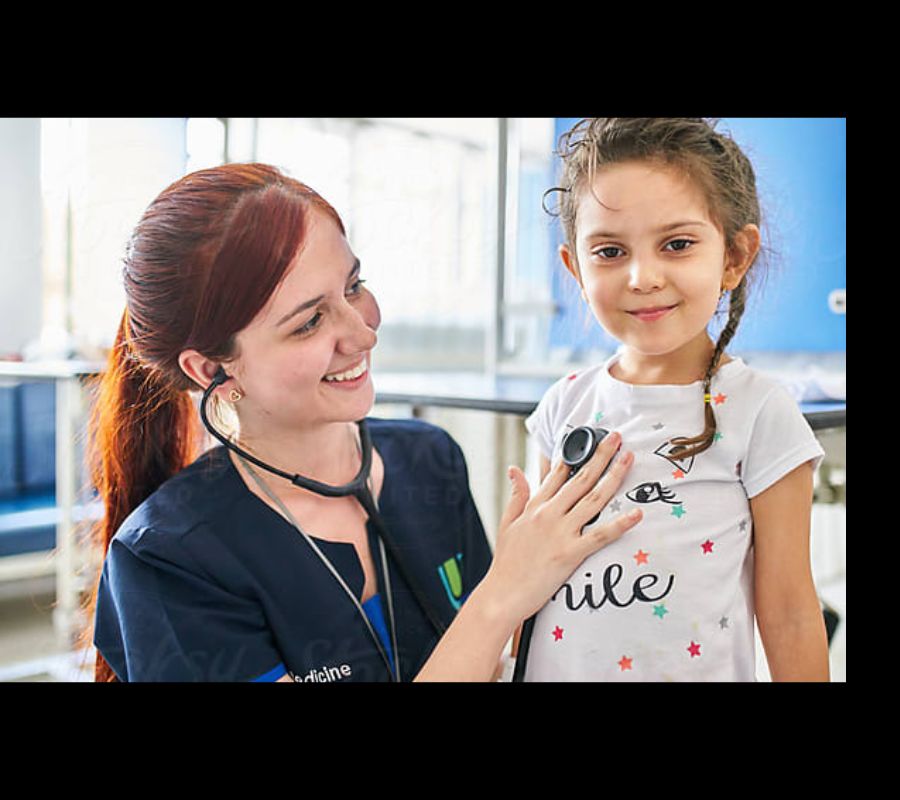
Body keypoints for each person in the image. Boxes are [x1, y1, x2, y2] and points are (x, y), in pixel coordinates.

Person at [81, 162, 642, 682]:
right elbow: (487, 617)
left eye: (353, 286)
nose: (363, 333)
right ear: (211, 369)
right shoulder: (169, 560)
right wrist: (504, 594)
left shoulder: (428, 460)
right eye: (309, 322)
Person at [518, 118, 830, 682]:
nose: (642, 276)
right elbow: (526, 578)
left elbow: (788, 613)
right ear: (575, 270)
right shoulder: (561, 407)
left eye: (677, 244)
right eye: (610, 251)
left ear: (735, 257)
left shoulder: (761, 411)